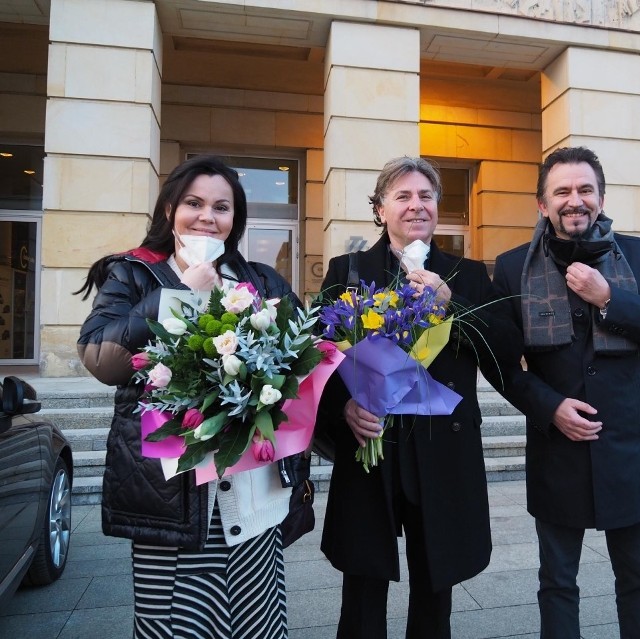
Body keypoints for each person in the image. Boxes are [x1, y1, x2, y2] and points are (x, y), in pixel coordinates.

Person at [76, 155, 299, 638]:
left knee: (256, 622)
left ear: (234, 219)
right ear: (170, 208)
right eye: (194, 203)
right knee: (175, 623)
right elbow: (101, 359)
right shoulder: (134, 273)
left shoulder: (261, 281)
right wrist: (177, 291)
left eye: (221, 207)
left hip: (249, 489)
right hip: (170, 492)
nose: (207, 216)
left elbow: (304, 364)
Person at [316, 156, 521, 639]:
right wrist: (343, 409)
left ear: (437, 208)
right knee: (362, 591)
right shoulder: (347, 271)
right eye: (403, 196)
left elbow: (507, 351)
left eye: (425, 196)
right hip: (371, 456)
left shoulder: (468, 274)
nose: (416, 206)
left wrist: (455, 303)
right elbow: (314, 363)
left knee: (435, 593)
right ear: (381, 209)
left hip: (441, 452)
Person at [492, 146, 640, 639]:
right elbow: (500, 365)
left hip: (628, 447)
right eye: (562, 191)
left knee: (637, 581)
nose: (574, 200)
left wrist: (610, 297)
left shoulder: (639, 253)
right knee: (557, 582)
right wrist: (549, 406)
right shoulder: (513, 266)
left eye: (585, 190)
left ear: (601, 198)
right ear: (543, 204)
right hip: (558, 449)